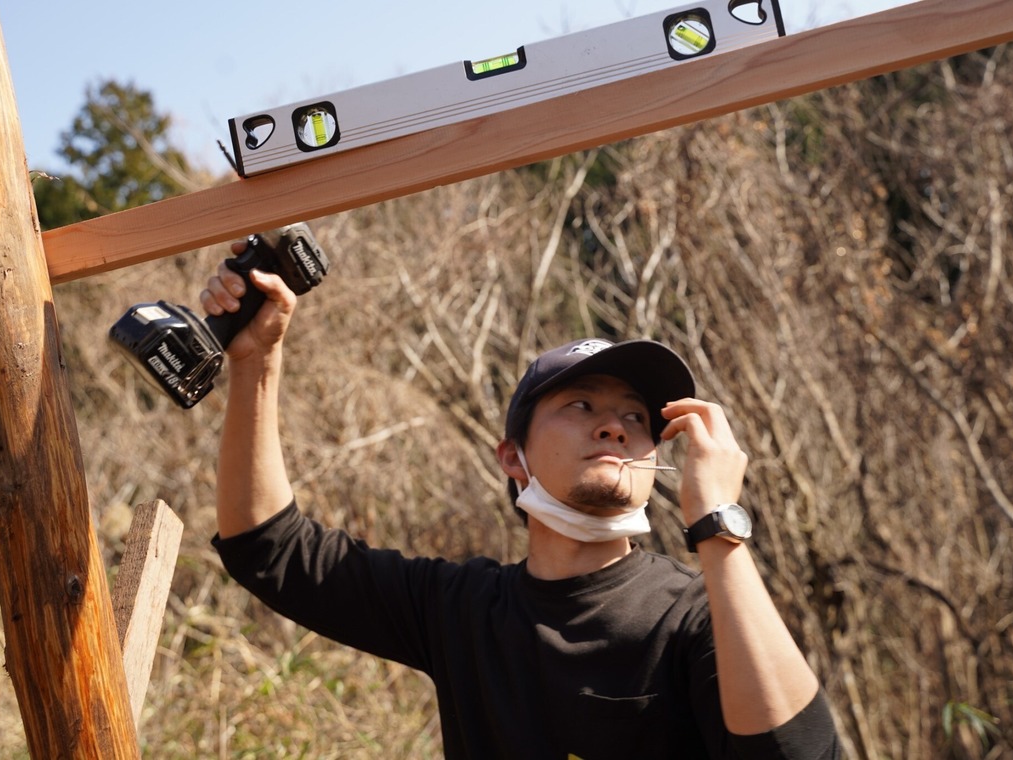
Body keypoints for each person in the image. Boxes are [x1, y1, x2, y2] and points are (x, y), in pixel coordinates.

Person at [201, 254, 841, 759]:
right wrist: (256, 361)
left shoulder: (700, 612)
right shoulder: (461, 610)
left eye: (636, 418)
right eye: (582, 405)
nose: (615, 427)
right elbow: (268, 549)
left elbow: (798, 753)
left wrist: (717, 522)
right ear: (513, 457)